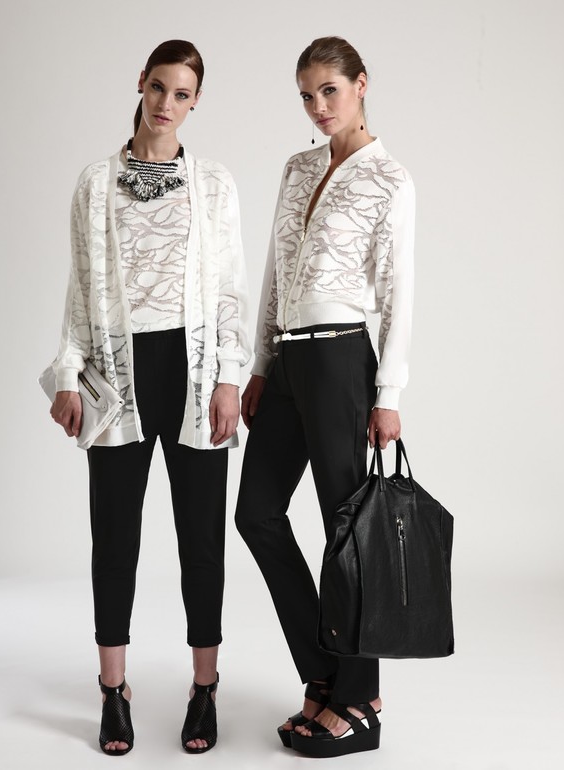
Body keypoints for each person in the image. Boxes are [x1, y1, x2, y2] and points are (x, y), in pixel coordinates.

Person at [46, 40, 250, 756]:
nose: (167, 104)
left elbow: (229, 289)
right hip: (117, 378)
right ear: (140, 83)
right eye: (159, 87)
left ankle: (205, 686)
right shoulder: (95, 183)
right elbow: (80, 287)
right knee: (114, 538)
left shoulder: (213, 183)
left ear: (196, 102)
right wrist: (67, 374)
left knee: (202, 539)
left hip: (193, 379)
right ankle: (113, 689)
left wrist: (229, 376)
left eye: (182, 94)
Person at [235, 36, 415, 758]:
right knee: (256, 514)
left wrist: (387, 392)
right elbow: (275, 272)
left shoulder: (390, 180)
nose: (317, 106)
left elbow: (399, 293)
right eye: (307, 95)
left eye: (329, 91)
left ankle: (361, 699)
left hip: (342, 359)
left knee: (347, 535)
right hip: (286, 362)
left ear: (360, 85)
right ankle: (324, 672)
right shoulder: (298, 167)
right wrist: (260, 363)